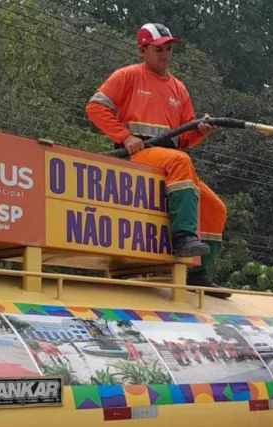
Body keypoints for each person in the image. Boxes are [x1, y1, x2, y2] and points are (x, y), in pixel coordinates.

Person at [85, 22, 230, 298]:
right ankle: (183, 239)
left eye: (169, 49)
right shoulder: (127, 76)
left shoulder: (178, 88)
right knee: (180, 161)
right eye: (159, 49)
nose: (165, 54)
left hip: (169, 157)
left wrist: (201, 130)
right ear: (143, 49)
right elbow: (95, 108)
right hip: (137, 154)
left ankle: (200, 276)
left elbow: (184, 136)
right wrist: (125, 136)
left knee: (216, 208)